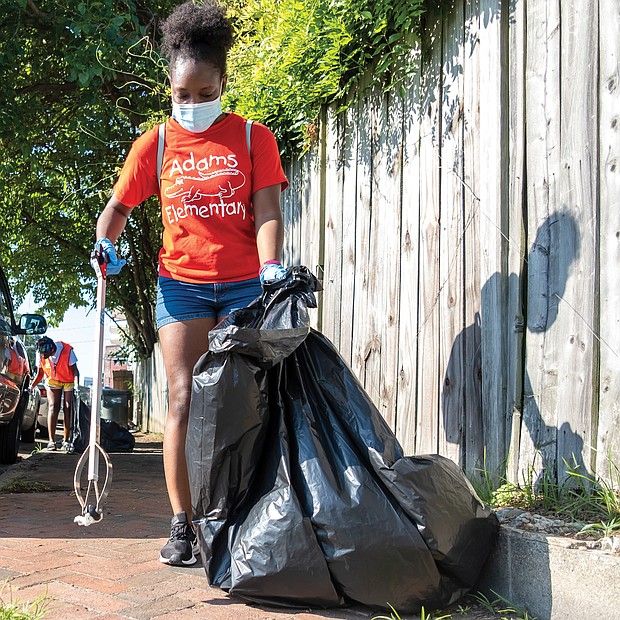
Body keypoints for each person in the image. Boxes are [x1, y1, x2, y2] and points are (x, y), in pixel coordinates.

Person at [94, 0, 288, 567]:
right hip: (181, 285)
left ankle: (243, 511)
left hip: (244, 288)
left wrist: (271, 267)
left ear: (223, 82)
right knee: (182, 399)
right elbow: (118, 208)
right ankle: (182, 524)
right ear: (169, 86)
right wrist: (105, 243)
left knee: (241, 404)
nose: (194, 105)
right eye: (183, 95)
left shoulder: (254, 139)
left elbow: (269, 210)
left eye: (206, 94)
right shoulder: (154, 145)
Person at [32, 336, 79, 452]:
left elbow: (75, 371)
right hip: (53, 380)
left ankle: (66, 440)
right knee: (53, 406)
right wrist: (31, 386)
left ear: (51, 348)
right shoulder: (41, 354)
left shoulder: (67, 351)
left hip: (68, 380)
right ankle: (51, 441)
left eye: (45, 352)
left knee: (68, 407)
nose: (43, 355)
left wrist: (76, 386)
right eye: (41, 352)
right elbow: (40, 373)